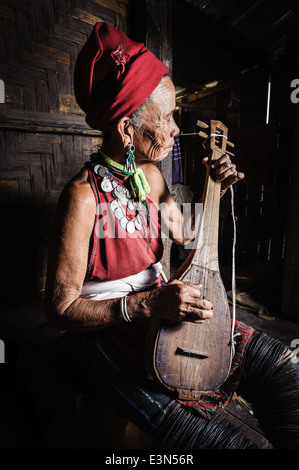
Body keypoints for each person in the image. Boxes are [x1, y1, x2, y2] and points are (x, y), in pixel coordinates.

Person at [45, 23, 299, 449]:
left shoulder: (152, 177)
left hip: (166, 309)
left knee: (283, 373)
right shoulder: (82, 198)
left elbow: (187, 236)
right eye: (165, 119)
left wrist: (211, 188)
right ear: (127, 129)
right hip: (105, 331)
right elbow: (59, 307)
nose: (176, 129)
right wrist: (146, 305)